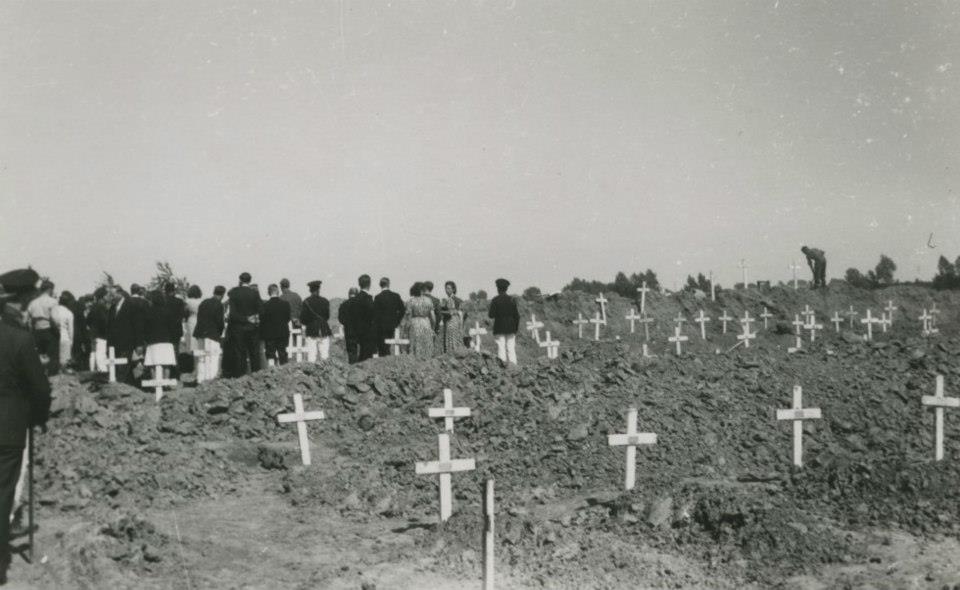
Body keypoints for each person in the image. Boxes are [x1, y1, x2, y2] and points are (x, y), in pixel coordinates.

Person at [0, 268, 51, 586]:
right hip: (7, 429)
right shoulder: (19, 339)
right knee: (2, 492)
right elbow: (40, 389)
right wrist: (39, 416)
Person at [106, 285, 147, 384]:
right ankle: (129, 384)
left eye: (112, 295)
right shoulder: (112, 308)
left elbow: (138, 325)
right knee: (121, 368)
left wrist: (139, 343)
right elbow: (110, 326)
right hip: (115, 344)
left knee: (123, 368)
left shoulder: (131, 305)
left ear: (120, 293)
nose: (111, 297)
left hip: (128, 342)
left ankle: (122, 384)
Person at [225, 272, 262, 376]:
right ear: (250, 281)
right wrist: (254, 317)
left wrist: (245, 319)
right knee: (254, 353)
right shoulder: (254, 293)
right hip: (252, 328)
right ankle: (256, 375)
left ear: (240, 280)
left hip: (238, 328)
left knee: (240, 353)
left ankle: (240, 376)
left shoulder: (234, 293)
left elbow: (232, 314)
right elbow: (261, 309)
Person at [144, 290, 177, 384]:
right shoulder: (168, 311)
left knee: (152, 363)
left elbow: (145, 328)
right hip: (166, 340)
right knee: (166, 363)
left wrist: (146, 339)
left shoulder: (148, 311)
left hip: (153, 341)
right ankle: (165, 382)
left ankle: (155, 383)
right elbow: (172, 327)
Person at [193, 285, 226, 382]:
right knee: (213, 357)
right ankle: (211, 378)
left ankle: (200, 378)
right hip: (212, 333)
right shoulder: (219, 305)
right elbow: (220, 322)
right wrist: (220, 332)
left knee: (201, 357)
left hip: (200, 332)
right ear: (222, 295)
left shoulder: (204, 302)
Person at [26, 280, 59, 375]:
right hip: (49, 330)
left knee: (40, 354)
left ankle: (40, 374)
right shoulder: (53, 301)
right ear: (50, 289)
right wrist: (57, 330)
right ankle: (52, 374)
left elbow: (27, 320)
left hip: (37, 331)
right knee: (52, 354)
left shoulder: (33, 303)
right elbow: (54, 318)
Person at [488, 278, 520, 365]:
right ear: (506, 288)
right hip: (511, 327)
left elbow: (491, 315)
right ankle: (514, 367)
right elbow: (517, 316)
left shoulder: (495, 300)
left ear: (498, 288)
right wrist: (516, 328)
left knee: (501, 347)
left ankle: (502, 367)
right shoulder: (512, 300)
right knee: (511, 348)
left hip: (499, 327)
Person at [373, 277, 406, 357]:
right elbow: (402, 310)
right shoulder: (396, 296)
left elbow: (375, 314)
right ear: (389, 284)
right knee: (390, 346)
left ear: (380, 285)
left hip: (381, 327)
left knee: (383, 348)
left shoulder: (378, 297)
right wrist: (397, 321)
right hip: (393, 325)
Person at [259, 284, 291, 366]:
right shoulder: (285, 304)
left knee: (270, 354)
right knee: (282, 353)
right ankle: (284, 370)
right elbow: (288, 318)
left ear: (268, 292)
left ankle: (271, 370)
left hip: (269, 334)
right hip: (282, 332)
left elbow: (262, 320)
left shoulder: (265, 306)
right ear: (278, 292)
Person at [300, 281, 332, 362]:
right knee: (325, 357)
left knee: (311, 357)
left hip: (312, 330)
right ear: (319, 289)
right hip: (324, 330)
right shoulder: (325, 301)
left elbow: (303, 319)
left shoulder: (306, 302)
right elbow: (327, 317)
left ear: (310, 290)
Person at [406, 282, 435, 358]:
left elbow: (409, 317)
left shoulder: (410, 301)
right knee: (426, 345)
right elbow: (433, 317)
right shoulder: (428, 300)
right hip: (426, 323)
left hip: (415, 324)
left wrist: (407, 329)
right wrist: (433, 328)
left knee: (415, 346)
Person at [86, 287, 110, 372]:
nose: (108, 296)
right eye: (107, 295)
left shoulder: (94, 307)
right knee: (101, 354)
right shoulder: (102, 307)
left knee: (94, 353)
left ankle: (92, 371)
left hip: (93, 334)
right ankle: (102, 372)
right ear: (103, 296)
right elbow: (105, 322)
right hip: (101, 335)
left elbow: (88, 320)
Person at [354, 275, 377, 361]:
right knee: (367, 357)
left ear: (359, 284)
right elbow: (372, 315)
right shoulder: (368, 298)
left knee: (362, 355)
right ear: (369, 284)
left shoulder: (356, 298)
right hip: (368, 332)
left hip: (358, 330)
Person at [438, 281, 465, 354]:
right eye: (446, 288)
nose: (446, 290)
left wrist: (440, 311)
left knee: (451, 339)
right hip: (455, 321)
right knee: (454, 339)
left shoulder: (451, 299)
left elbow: (450, 313)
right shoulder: (456, 299)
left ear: (453, 289)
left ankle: (452, 354)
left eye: (449, 288)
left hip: (451, 321)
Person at [54, 292, 75, 373]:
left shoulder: (54, 310)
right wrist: (71, 341)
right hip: (65, 337)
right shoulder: (69, 313)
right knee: (65, 362)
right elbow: (71, 329)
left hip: (55, 337)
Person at [338, 288, 360, 364]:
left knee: (351, 352)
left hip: (349, 331)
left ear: (349, 294)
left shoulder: (343, 305)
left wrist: (347, 323)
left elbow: (341, 319)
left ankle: (353, 366)